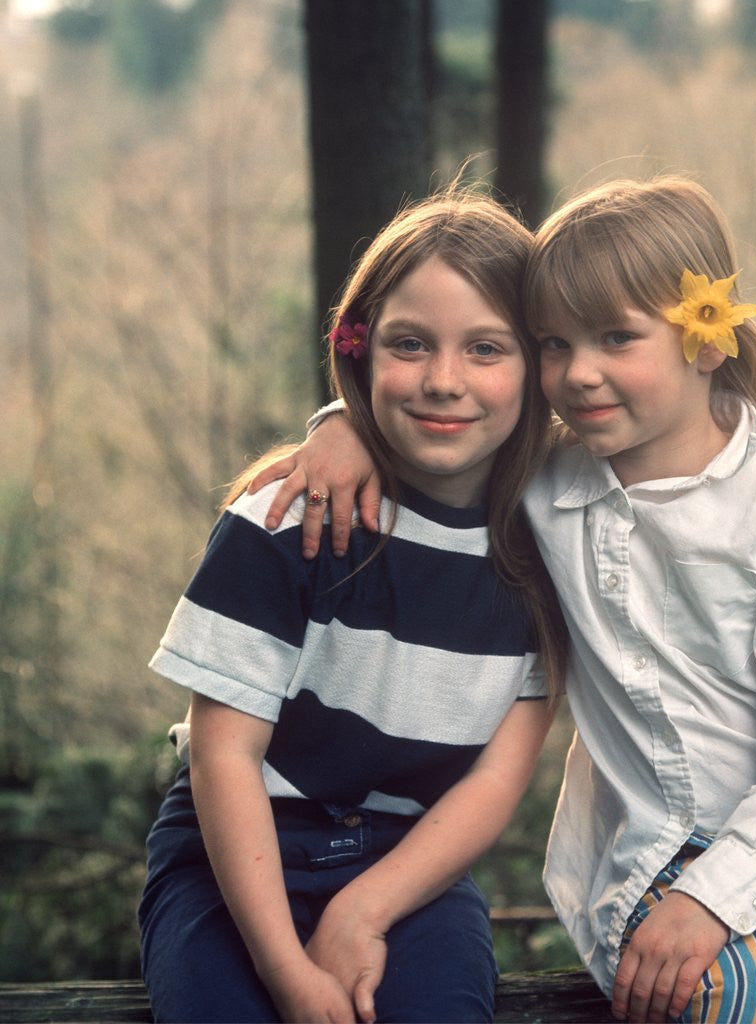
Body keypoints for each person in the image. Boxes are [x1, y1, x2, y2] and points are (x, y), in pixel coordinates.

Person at [250, 177, 756, 1024]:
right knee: (750, 1004)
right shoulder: (536, 483)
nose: (579, 373)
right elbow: (441, 413)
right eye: (554, 343)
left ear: (707, 340)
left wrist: (718, 897)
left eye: (617, 337)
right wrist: (343, 424)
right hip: (651, 857)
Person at [138, 187, 568, 1024]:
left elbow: (496, 777)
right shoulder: (289, 519)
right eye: (410, 344)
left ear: (538, 365)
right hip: (234, 856)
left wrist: (365, 910)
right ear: (360, 350)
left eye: (486, 348)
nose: (443, 380)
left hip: (410, 868)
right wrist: (287, 974)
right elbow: (225, 758)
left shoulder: (549, 545)